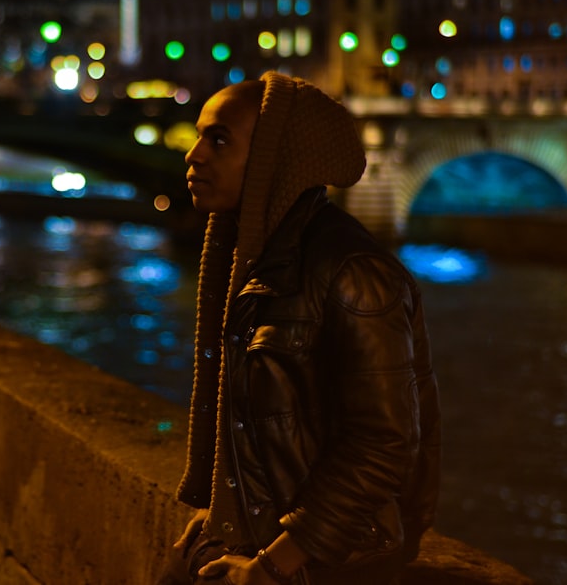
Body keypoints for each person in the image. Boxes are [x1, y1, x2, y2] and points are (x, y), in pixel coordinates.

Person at [159, 72, 441, 585]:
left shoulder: (352, 273)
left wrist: (271, 567)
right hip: (272, 534)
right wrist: (227, 506)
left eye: (218, 140)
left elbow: (383, 445)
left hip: (334, 559)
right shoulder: (257, 260)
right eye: (199, 135)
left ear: (275, 159)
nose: (194, 155)